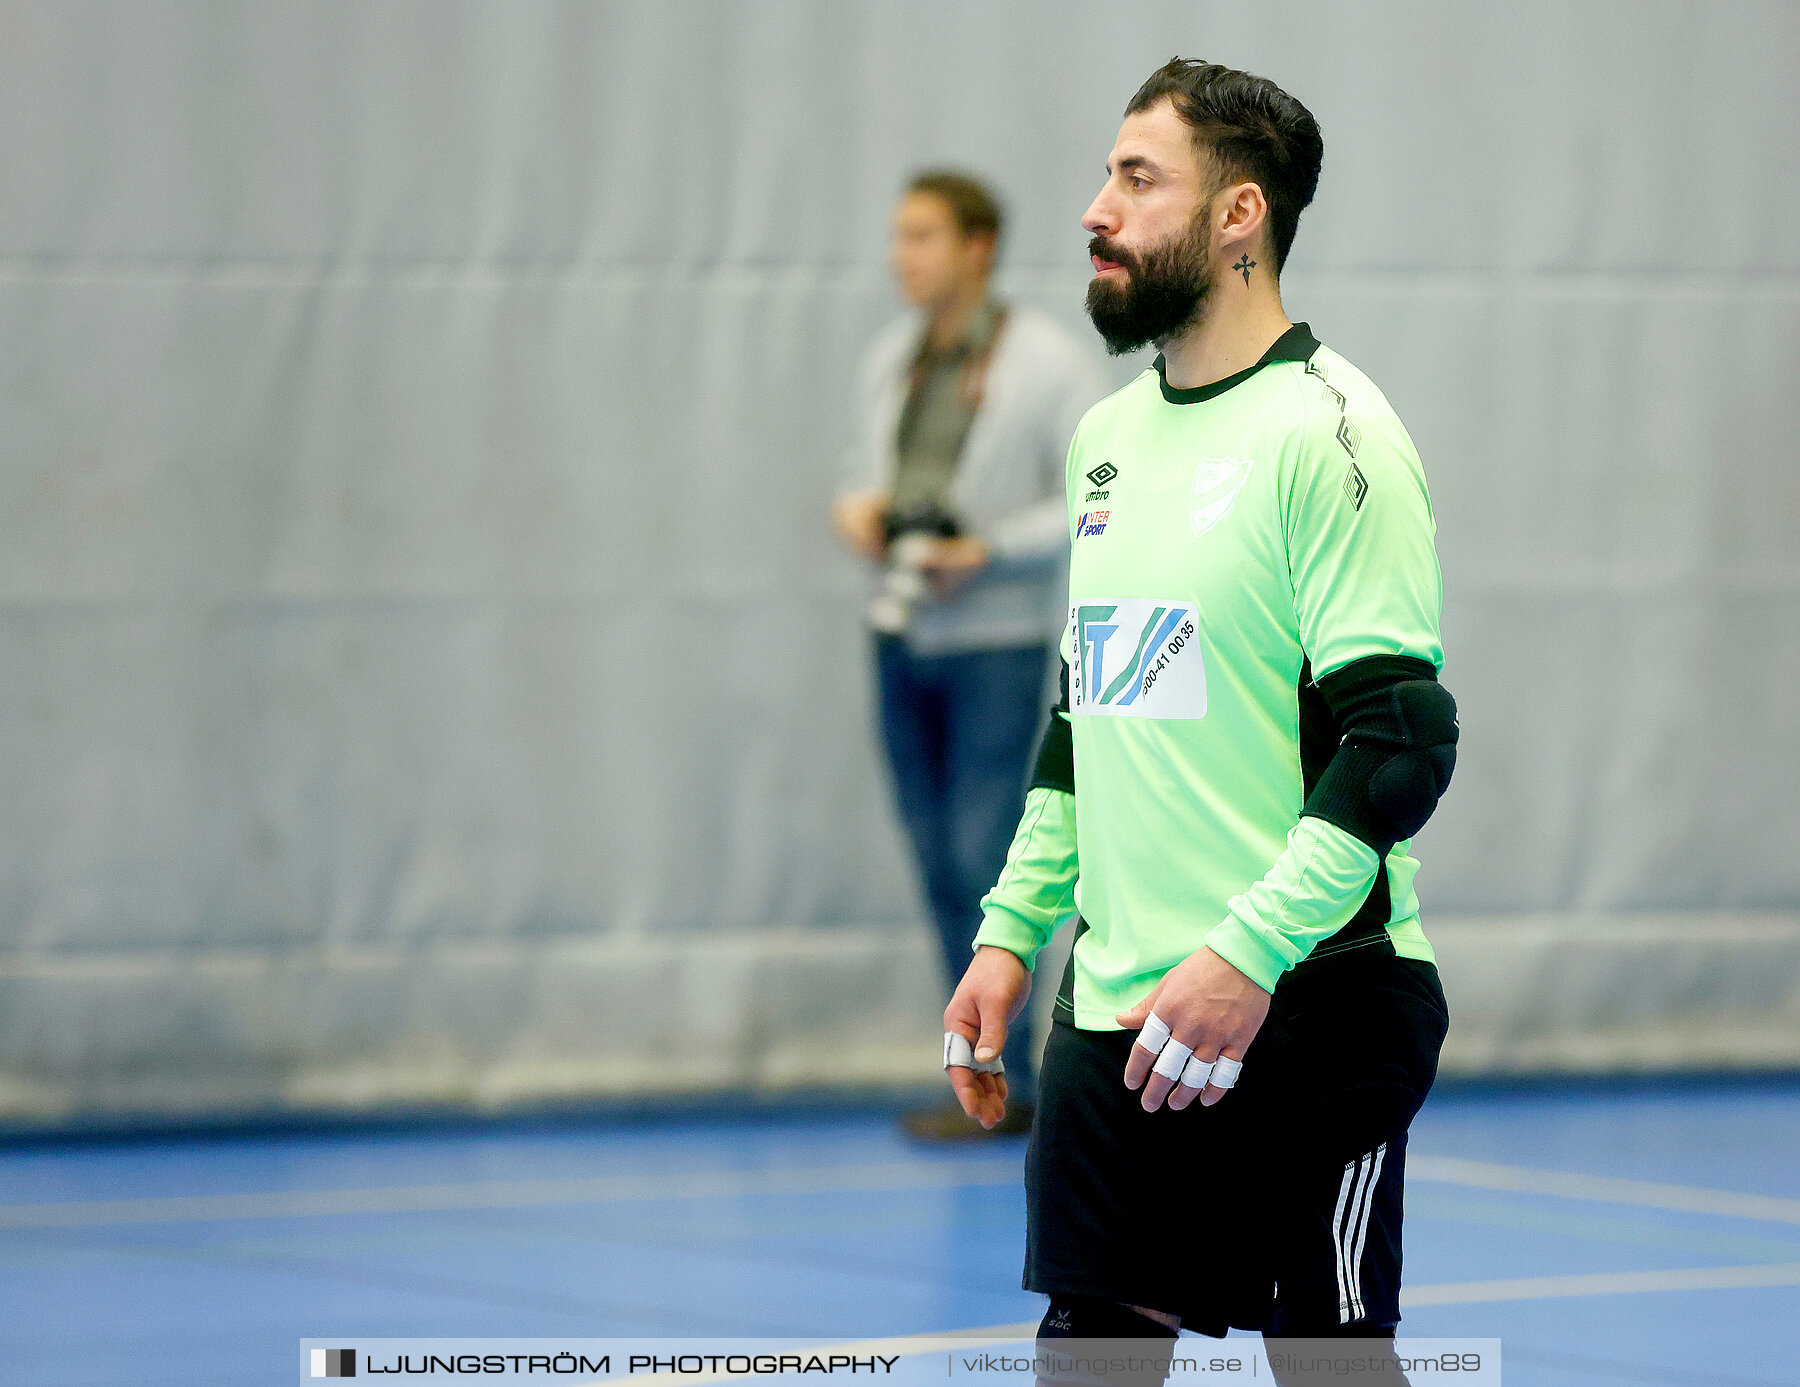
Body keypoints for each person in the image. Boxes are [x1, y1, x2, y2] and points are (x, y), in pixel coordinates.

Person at [942, 61, 1458, 1384]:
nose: (1093, 210)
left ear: (1238, 215)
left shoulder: (1331, 433)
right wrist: (1011, 931)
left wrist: (1247, 953)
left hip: (1310, 999)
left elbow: (1397, 745)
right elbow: (1091, 712)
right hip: (1120, 1010)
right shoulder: (1107, 438)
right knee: (1088, 1360)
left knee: (1329, 1364)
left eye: (1135, 178)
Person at [834, 171, 1107, 1141]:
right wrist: (862, 513)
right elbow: (872, 481)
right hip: (902, 631)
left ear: (978, 246)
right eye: (899, 236)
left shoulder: (1046, 364)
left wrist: (983, 550)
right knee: (932, 856)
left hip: (994, 639)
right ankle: (977, 1068)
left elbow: (1093, 496)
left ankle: (1009, 1073)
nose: (902, 256)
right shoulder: (892, 358)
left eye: (922, 237)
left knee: (985, 855)